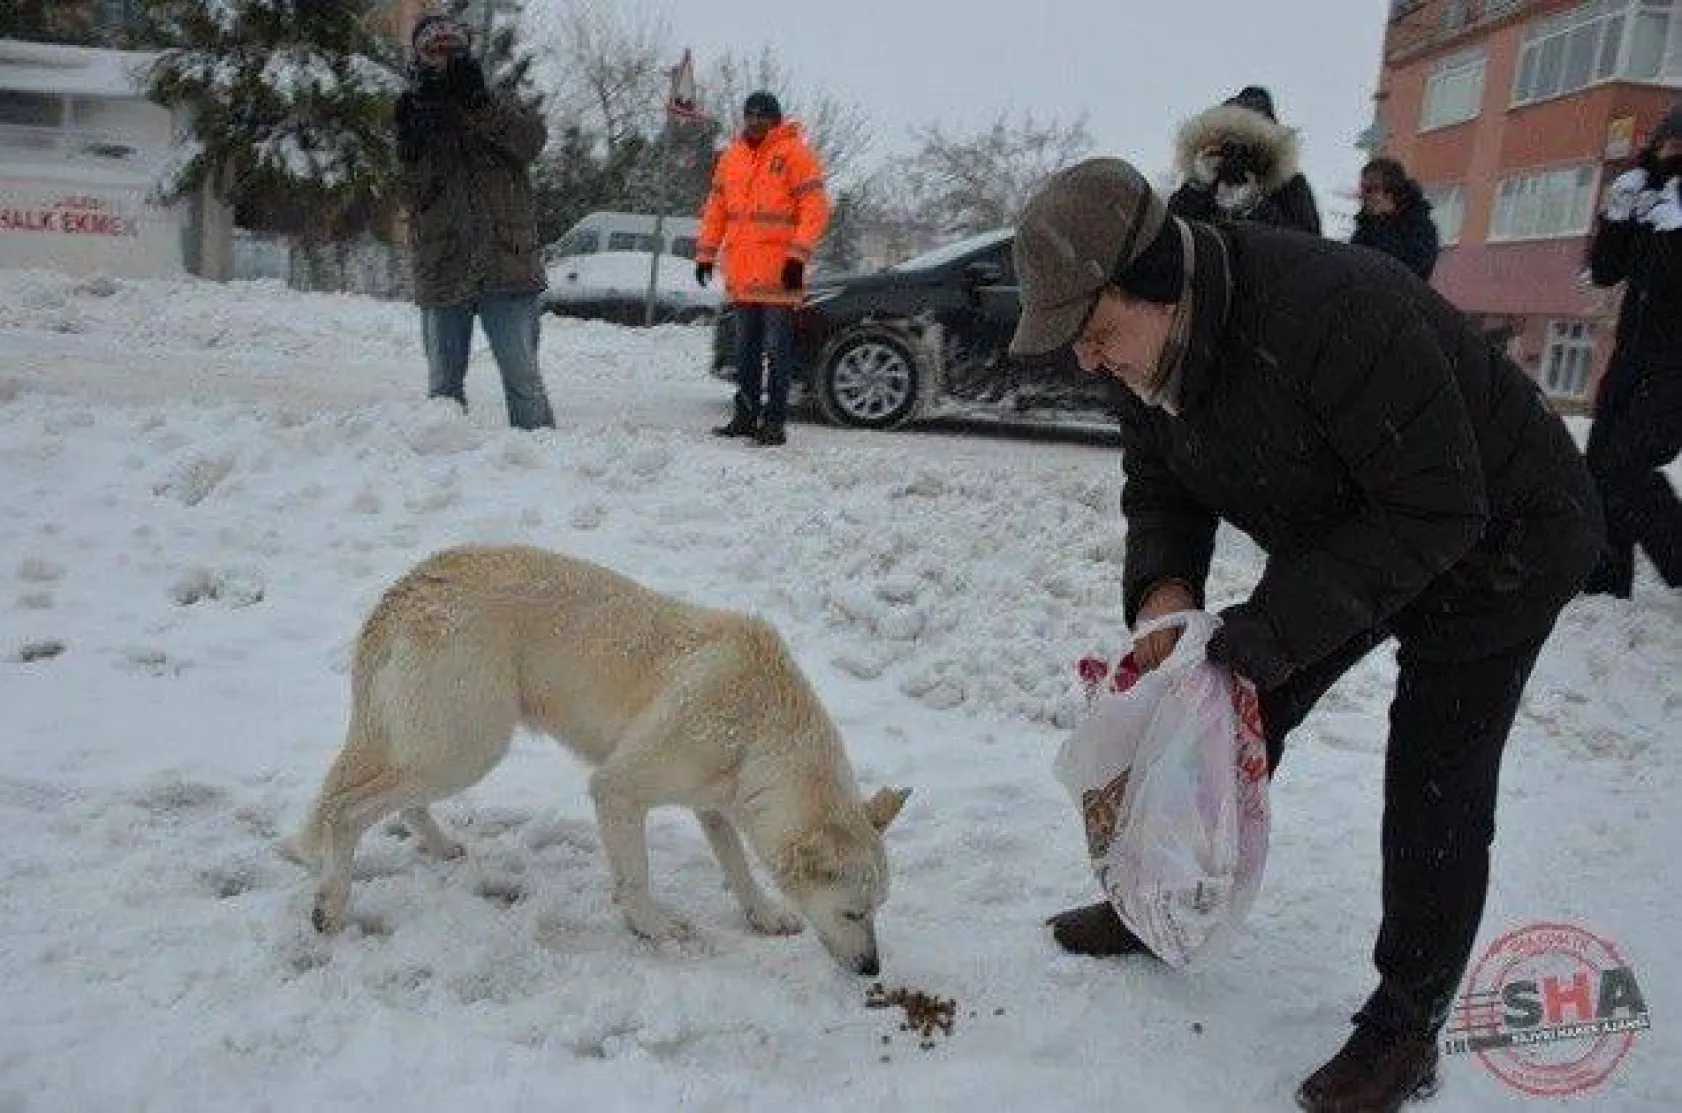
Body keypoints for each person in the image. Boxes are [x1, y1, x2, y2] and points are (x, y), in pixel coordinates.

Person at [1009, 158, 1601, 1112]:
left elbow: (1440, 506)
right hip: (1360, 518)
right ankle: (1155, 897)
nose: (1086, 359)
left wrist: (1275, 626)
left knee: (1436, 773)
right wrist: (1165, 591)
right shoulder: (1142, 351)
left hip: (1502, 538)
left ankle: (1406, 1027)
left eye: (1095, 333)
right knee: (1233, 704)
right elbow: (1160, 481)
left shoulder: (1332, 312)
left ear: (1151, 285)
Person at [394, 14, 554, 431]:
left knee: (524, 382)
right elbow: (406, 195)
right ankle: (442, 471)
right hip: (443, 267)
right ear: (418, 56)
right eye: (434, 50)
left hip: (508, 266)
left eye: (453, 49)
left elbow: (531, 143)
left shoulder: (495, 101)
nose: (444, 59)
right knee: (443, 385)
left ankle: (547, 470)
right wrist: (412, 142)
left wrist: (480, 105)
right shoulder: (409, 110)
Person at [1581, 106, 1682, 598]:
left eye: (1679, 148)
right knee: (1600, 460)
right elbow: (1605, 272)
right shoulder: (1650, 197)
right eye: (1665, 145)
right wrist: (1617, 218)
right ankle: (1606, 573)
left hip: (1678, 367)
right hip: (1633, 355)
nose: (1670, 155)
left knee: (1627, 461)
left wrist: (1677, 235)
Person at [695, 91, 830, 447]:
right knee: (745, 352)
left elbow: (815, 209)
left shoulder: (796, 155)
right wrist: (706, 253)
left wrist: (797, 258)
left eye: (762, 116)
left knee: (777, 352)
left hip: (780, 273)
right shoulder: (732, 157)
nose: (754, 121)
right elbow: (717, 208)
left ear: (775, 119)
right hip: (741, 274)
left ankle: (774, 423)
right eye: (749, 115)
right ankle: (744, 416)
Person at [1167, 85, 1321, 234]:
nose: (1236, 155)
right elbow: (1173, 237)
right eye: (1227, 143)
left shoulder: (1288, 184)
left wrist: (1254, 207)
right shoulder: (1204, 182)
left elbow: (1311, 247)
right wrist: (1196, 188)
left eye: (1247, 145)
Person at [1352, 156, 1440, 281]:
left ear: (1392, 193)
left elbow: (1408, 269)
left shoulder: (1421, 228)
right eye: (1363, 189)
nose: (1364, 196)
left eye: (1372, 189)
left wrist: (1384, 222)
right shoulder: (1365, 228)